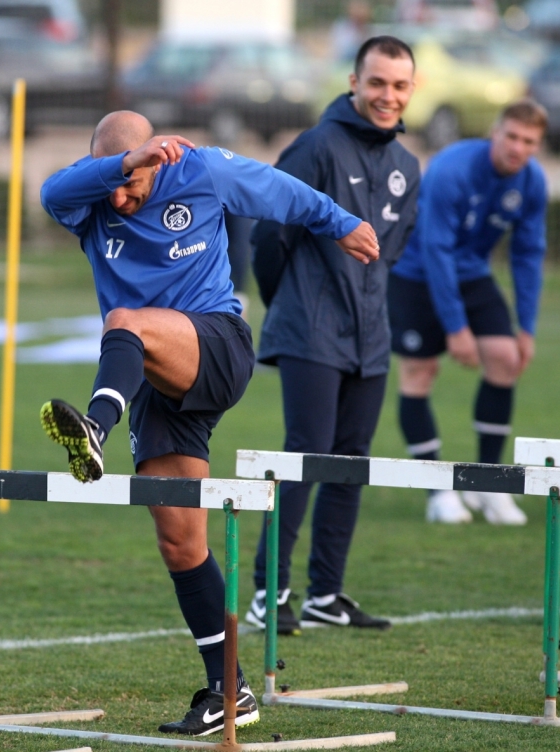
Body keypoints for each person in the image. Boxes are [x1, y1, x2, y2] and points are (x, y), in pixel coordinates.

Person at [39, 111, 379, 735]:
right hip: (153, 386)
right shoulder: (87, 201)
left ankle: (93, 428)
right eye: (113, 182)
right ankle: (231, 691)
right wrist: (121, 169)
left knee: (124, 322)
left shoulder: (198, 168)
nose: (121, 198)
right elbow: (52, 191)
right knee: (180, 542)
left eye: (134, 183)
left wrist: (345, 223)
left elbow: (284, 192)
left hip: (216, 346)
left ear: (158, 158)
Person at [247, 36, 421, 635]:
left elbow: (388, 259)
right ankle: (269, 592)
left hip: (370, 339)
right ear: (353, 82)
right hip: (310, 332)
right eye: (377, 83)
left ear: (412, 90)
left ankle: (327, 593)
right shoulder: (317, 146)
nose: (387, 96)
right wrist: (288, 306)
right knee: (307, 454)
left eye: (399, 86)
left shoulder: (408, 167)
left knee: (351, 464)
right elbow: (268, 236)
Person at [388, 99, 549, 525]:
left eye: (528, 141)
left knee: (505, 358)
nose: (517, 147)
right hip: (416, 272)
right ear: (494, 133)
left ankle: (489, 486)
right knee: (419, 373)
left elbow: (528, 254)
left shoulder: (532, 182)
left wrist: (527, 328)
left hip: (472, 274)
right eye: (511, 136)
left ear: (537, 145)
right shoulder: (451, 169)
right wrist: (457, 328)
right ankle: (438, 493)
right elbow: (436, 250)